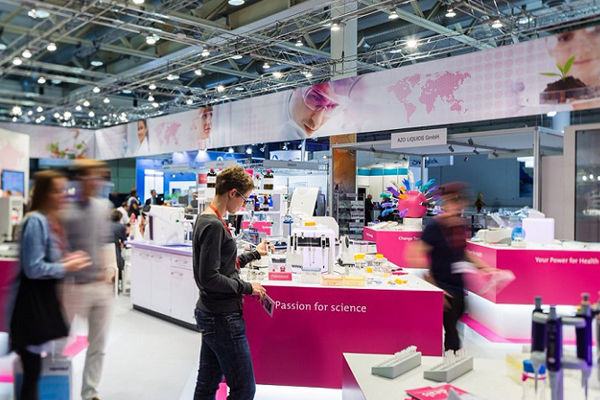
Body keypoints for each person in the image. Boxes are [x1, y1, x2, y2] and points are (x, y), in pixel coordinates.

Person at [9, 171, 90, 400]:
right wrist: (65, 266)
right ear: (44, 193)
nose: (63, 195)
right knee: (32, 370)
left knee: (34, 370)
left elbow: (47, 261)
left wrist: (67, 260)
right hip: (31, 306)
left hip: (43, 303)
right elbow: (33, 268)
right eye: (56, 191)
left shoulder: (49, 221)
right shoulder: (35, 221)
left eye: (64, 190)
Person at [193, 166, 271, 400]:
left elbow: (224, 263)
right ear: (233, 193)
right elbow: (210, 277)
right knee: (244, 389)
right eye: (244, 199)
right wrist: (247, 287)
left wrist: (254, 254)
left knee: (207, 385)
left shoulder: (207, 218)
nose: (243, 205)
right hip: (223, 317)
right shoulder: (214, 225)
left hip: (213, 313)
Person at [406, 182, 494, 352]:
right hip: (442, 287)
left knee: (453, 330)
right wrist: (435, 288)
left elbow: (463, 252)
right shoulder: (434, 227)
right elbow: (413, 254)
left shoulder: (460, 225)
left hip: (458, 287)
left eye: (459, 202)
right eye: (452, 201)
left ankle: (452, 358)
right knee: (451, 335)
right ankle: (449, 360)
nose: (456, 206)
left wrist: (485, 268)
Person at [61, 160, 114, 400]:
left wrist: (107, 270)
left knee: (98, 345)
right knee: (60, 342)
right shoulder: (65, 211)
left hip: (99, 286)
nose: (95, 181)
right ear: (79, 179)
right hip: (72, 287)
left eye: (97, 176)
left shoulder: (103, 207)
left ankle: (90, 393)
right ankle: (56, 389)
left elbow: (103, 241)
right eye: (90, 176)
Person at [110, 210, 128, 293]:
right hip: (116, 256)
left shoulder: (103, 226)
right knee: (122, 262)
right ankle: (118, 283)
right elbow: (125, 241)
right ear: (120, 218)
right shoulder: (121, 227)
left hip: (102, 257)